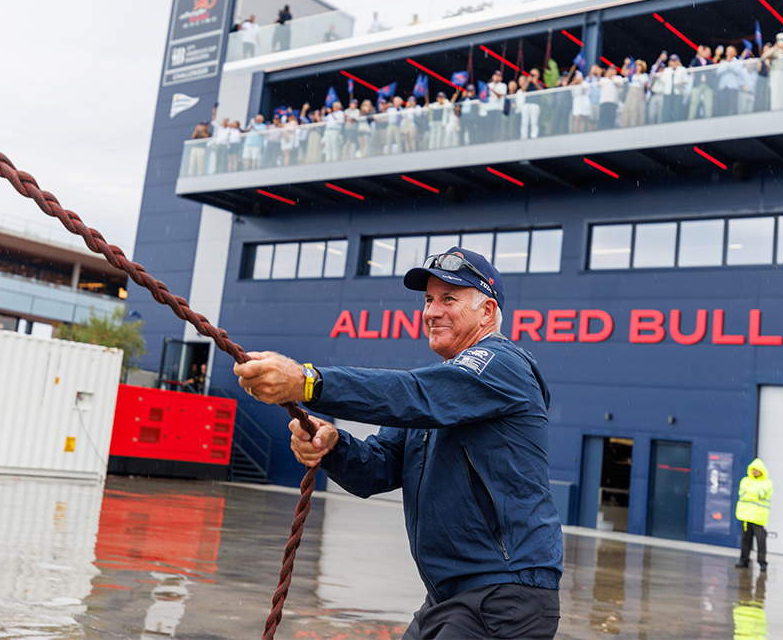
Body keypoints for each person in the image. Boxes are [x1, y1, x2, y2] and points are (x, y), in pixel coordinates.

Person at [233, 247, 563, 639]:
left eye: (448, 299)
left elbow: (414, 393)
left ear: (488, 312)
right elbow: (378, 468)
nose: (431, 311)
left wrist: (309, 382)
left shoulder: (501, 366)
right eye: (427, 300)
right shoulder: (442, 391)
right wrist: (333, 446)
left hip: (504, 595)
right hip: (446, 598)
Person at [735, 458, 772, 572]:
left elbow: (761, 494)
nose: (755, 471)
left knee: (761, 541)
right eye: (753, 469)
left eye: (757, 470)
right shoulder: (745, 481)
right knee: (745, 540)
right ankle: (744, 560)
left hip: (758, 518)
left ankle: (762, 562)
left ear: (762, 471)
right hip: (746, 516)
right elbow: (742, 493)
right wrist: (754, 493)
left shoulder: (767, 483)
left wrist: (750, 492)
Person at [688, 45, 715, 119]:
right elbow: (691, 66)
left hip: (707, 85)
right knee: (694, 102)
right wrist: (698, 53)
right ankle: (691, 118)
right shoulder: (696, 60)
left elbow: (713, 70)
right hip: (697, 84)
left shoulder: (709, 62)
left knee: (708, 103)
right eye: (708, 51)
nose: (709, 53)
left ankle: (708, 118)